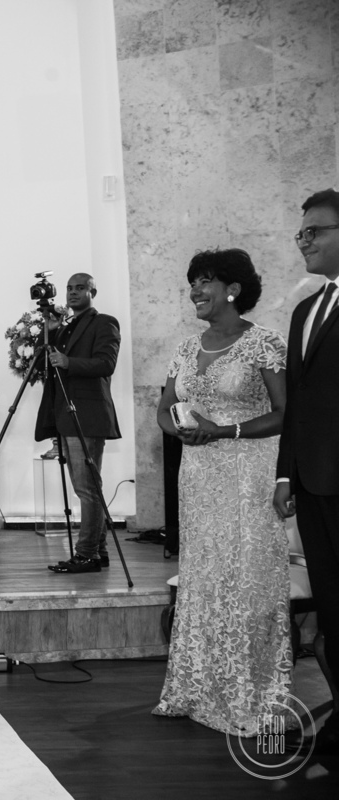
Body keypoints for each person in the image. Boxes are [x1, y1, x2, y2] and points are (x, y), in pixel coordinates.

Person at [152, 249, 292, 736]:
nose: (194, 290)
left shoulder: (264, 343)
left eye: (205, 280)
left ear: (233, 289)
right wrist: (180, 430)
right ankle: (195, 688)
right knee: (204, 577)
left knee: (247, 580)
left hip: (250, 473)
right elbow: (164, 408)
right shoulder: (186, 348)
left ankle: (253, 696)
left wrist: (226, 431)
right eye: (192, 282)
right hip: (198, 475)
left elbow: (286, 413)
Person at [274, 188, 339, 754]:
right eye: (301, 233)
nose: (304, 241)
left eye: (315, 231)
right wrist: (284, 475)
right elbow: (297, 401)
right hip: (314, 483)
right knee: (333, 606)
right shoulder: (305, 310)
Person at [35, 273, 121, 574]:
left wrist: (69, 362)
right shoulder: (64, 327)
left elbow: (106, 364)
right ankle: (99, 551)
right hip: (65, 415)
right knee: (86, 488)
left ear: (92, 292)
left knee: (87, 489)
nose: (73, 293)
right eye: (70, 288)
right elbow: (42, 364)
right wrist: (49, 332)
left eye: (80, 288)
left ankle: (86, 554)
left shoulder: (104, 322)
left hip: (87, 415)